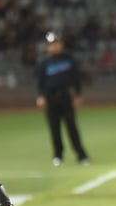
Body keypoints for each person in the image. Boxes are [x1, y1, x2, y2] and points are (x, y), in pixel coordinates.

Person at [36, 31, 90, 166]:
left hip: (66, 97)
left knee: (72, 127)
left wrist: (78, 94)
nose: (55, 46)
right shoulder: (44, 63)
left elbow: (76, 78)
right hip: (51, 99)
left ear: (61, 44)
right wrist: (41, 97)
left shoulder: (69, 59)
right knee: (54, 129)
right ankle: (58, 155)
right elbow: (40, 82)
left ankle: (81, 155)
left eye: (57, 43)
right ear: (48, 47)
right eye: (51, 44)